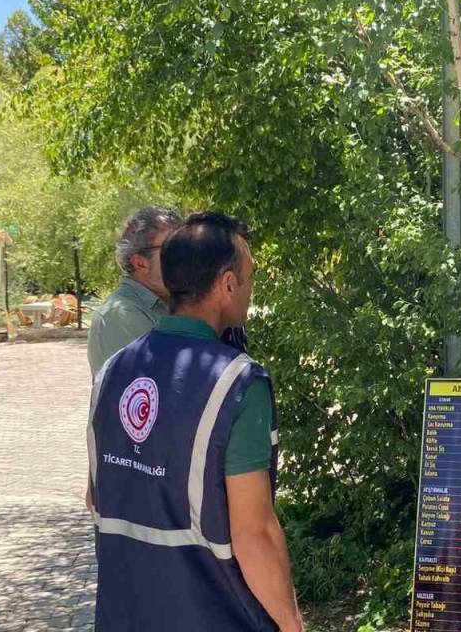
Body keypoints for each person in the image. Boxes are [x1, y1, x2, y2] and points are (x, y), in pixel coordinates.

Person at [88, 212, 303, 631]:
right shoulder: (237, 382)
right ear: (227, 285)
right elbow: (253, 533)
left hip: (124, 614)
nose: (250, 288)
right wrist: (291, 623)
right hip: (211, 613)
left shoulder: (110, 372)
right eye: (249, 276)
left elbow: (98, 497)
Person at [87, 206, 183, 375]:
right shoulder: (119, 315)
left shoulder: (168, 304)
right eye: (173, 248)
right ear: (140, 263)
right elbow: (168, 383)